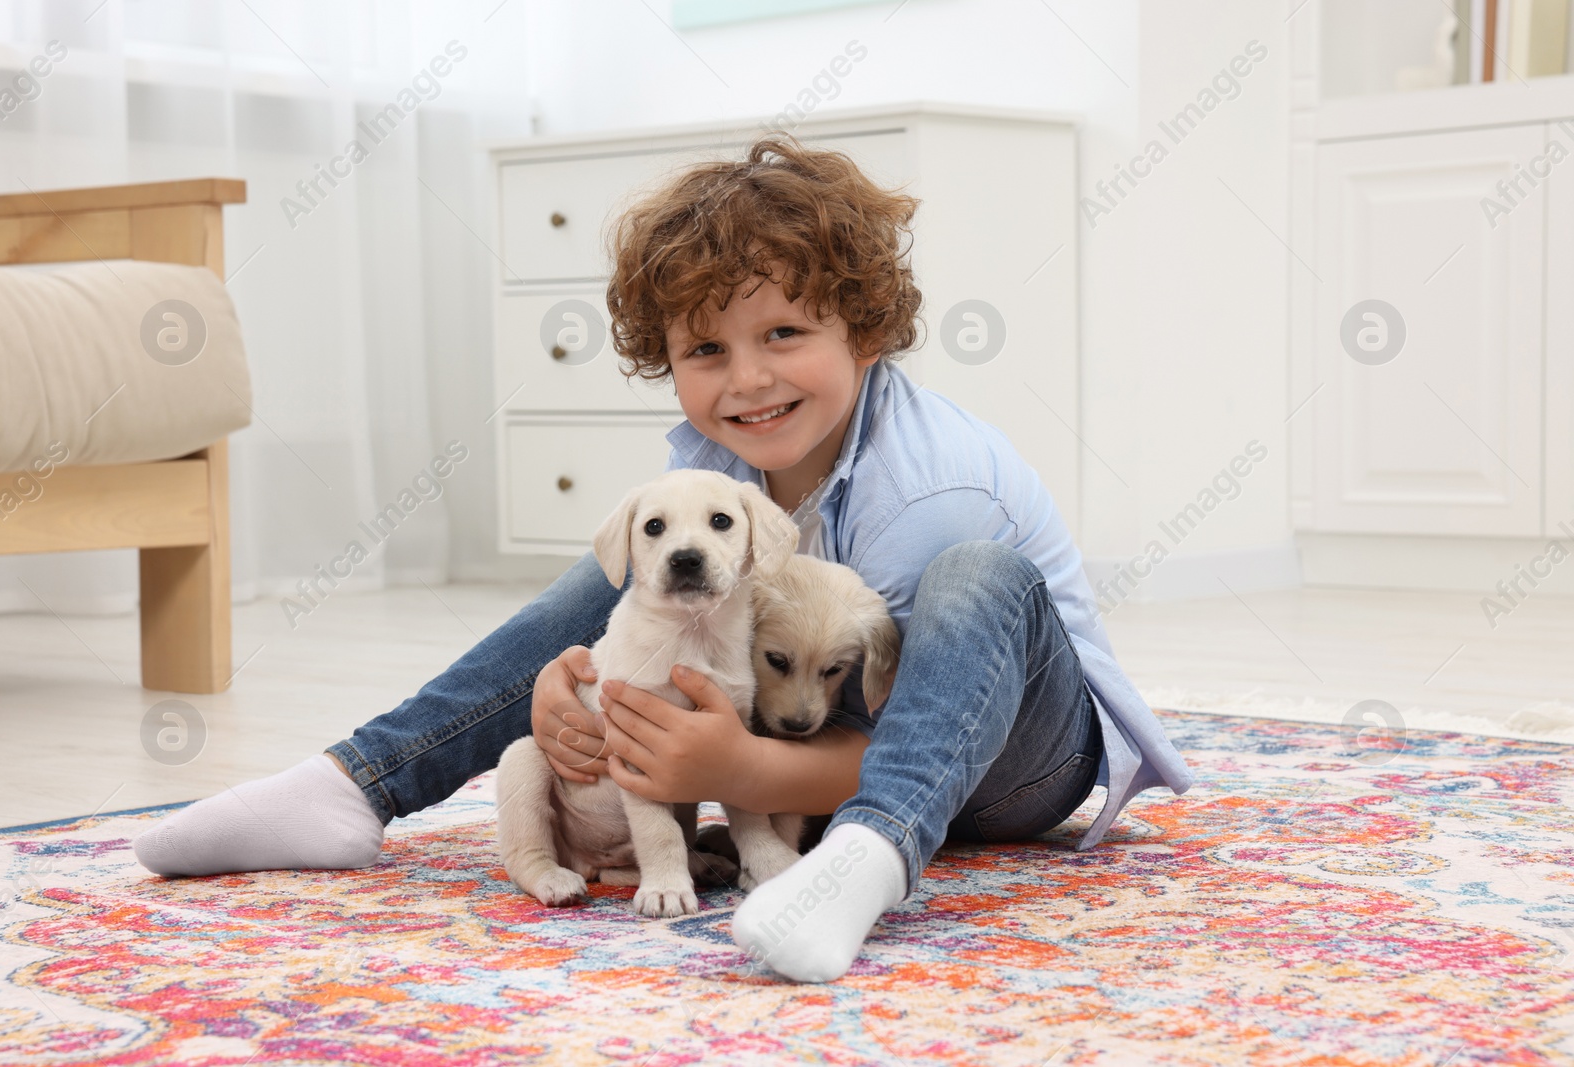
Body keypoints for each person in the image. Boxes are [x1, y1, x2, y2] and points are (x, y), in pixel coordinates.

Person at [133, 132, 1194, 984]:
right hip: (799, 738)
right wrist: (570, 693)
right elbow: (651, 641)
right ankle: (356, 782)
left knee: (976, 577)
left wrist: (734, 770)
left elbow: (917, 721)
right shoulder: (717, 462)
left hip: (1008, 758)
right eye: (705, 351)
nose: (747, 379)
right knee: (634, 576)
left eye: (785, 333)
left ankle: (866, 865)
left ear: (865, 332)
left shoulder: (928, 491)